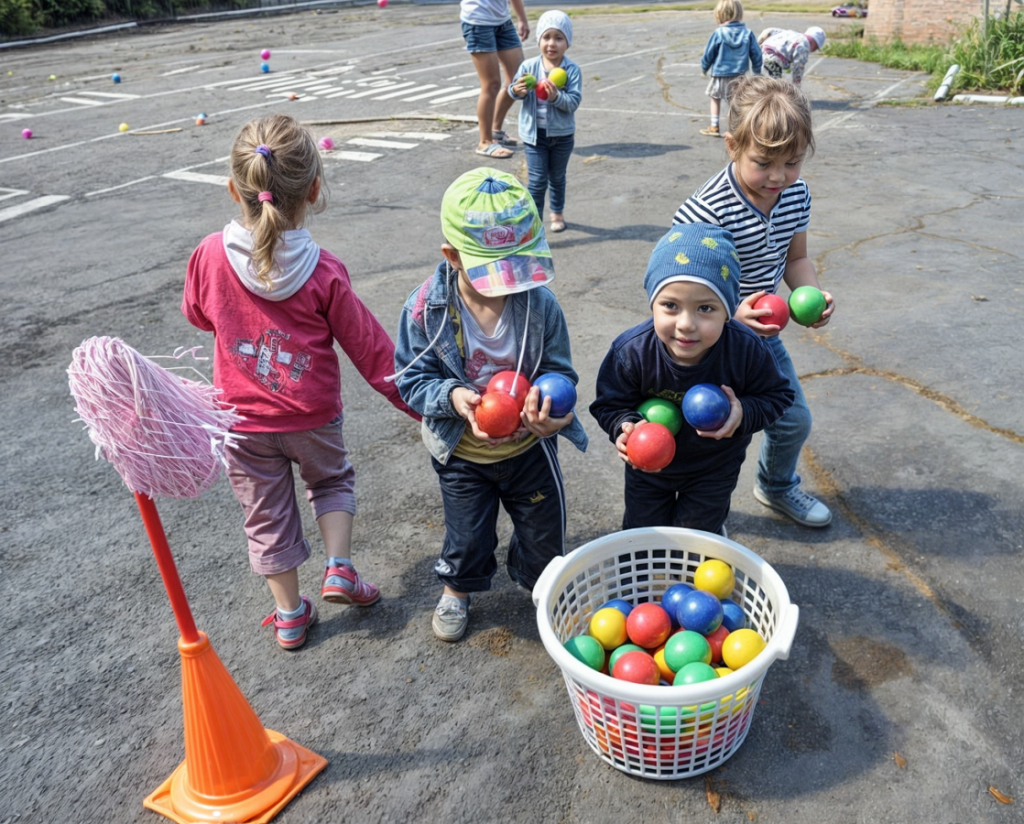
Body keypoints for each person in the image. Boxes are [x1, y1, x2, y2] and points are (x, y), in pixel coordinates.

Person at [182, 114, 419, 650]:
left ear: (232, 189)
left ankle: (289, 614)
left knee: (265, 514)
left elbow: (197, 314)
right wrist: (425, 403)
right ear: (313, 189)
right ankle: (339, 568)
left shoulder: (209, 256)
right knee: (331, 482)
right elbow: (372, 351)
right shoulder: (323, 270)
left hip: (241, 421)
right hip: (312, 416)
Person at [392, 167, 588, 642]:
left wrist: (551, 405)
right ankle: (457, 589)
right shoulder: (425, 309)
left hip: (529, 450)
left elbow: (560, 371)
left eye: (516, 267)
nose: (507, 283)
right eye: (491, 271)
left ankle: (541, 584)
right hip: (463, 454)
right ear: (452, 257)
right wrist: (452, 396)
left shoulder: (540, 305)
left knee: (545, 532)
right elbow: (410, 379)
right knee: (467, 535)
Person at [671, 75, 836, 528]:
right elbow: (681, 292)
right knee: (710, 432)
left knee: (793, 420)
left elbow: (796, 258)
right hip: (708, 341)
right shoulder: (706, 211)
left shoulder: (794, 195)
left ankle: (776, 486)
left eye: (792, 162)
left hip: (760, 337)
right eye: (764, 162)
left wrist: (812, 292)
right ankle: (702, 515)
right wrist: (728, 314)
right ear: (732, 145)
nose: (778, 176)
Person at [589, 224, 794, 536]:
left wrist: (742, 414)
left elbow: (778, 396)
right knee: (643, 533)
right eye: (670, 305)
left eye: (705, 308)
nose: (686, 324)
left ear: (727, 311)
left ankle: (706, 539)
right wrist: (625, 427)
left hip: (714, 469)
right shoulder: (630, 351)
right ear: (652, 303)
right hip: (648, 468)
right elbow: (608, 404)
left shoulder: (746, 348)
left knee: (698, 536)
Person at [508, 10, 582, 232]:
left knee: (557, 178)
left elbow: (573, 102)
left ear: (567, 42)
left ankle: (557, 212)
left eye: (559, 38)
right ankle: (535, 224)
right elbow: (513, 90)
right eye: (546, 37)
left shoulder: (571, 70)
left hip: (562, 136)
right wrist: (517, 90)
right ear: (539, 39)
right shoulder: (528, 67)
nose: (552, 43)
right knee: (537, 181)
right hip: (535, 137)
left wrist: (555, 96)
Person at [461, 0, 529, 159]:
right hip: (477, 21)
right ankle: (484, 142)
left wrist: (522, 18)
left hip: (503, 21)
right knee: (491, 84)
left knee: (517, 80)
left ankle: (495, 132)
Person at [699, 0, 761, 138]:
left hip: (720, 74)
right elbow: (756, 53)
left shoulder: (718, 33)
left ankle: (714, 126)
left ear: (719, 14)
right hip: (740, 75)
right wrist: (757, 70)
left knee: (715, 97)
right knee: (735, 102)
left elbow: (709, 53)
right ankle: (735, 129)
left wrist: (704, 67)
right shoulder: (747, 33)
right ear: (739, 13)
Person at [757, 25, 825, 86]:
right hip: (774, 58)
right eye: (816, 48)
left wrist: (758, 43)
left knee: (768, 78)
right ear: (815, 43)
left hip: (764, 51)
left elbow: (770, 30)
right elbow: (798, 66)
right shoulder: (804, 45)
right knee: (775, 85)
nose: (813, 51)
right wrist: (797, 86)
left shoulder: (793, 34)